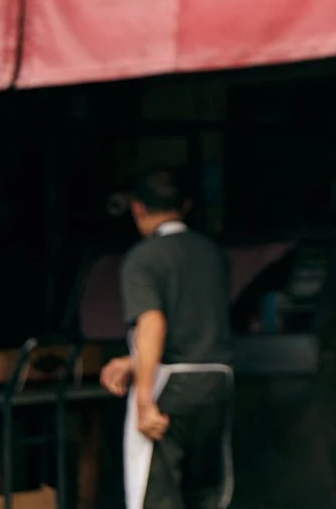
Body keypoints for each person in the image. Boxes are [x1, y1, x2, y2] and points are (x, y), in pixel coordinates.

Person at [98, 169, 233, 509]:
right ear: (185, 206)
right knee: (205, 496)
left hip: (170, 386)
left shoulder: (144, 258)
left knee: (156, 496)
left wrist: (144, 398)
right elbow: (195, 322)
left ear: (137, 208)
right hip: (217, 384)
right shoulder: (212, 254)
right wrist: (133, 360)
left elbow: (154, 322)